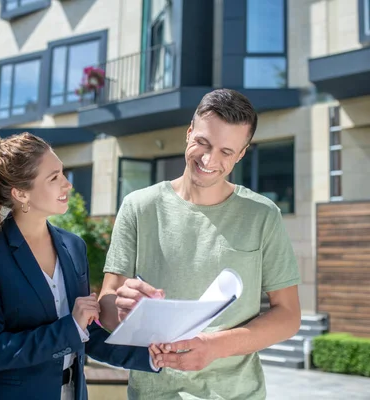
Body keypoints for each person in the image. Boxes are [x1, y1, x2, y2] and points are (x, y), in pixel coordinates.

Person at [98, 89, 302, 399]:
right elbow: (107, 304)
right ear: (189, 132)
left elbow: (288, 315)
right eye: (203, 143)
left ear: (243, 152)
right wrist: (123, 308)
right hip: (155, 393)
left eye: (226, 152)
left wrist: (214, 347)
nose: (209, 160)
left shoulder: (262, 215)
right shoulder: (139, 207)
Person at [0, 132, 159, 400]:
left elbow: (85, 332)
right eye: (54, 178)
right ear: (21, 193)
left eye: (63, 173)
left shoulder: (73, 247)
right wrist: (70, 327)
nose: (67, 184)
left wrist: (151, 356)